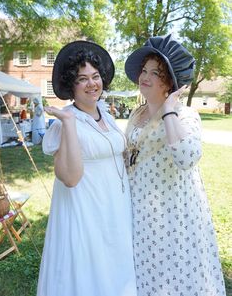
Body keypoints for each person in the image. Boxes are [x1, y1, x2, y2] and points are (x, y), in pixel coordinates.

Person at [124, 34, 226, 296]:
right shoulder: (136, 114)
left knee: (171, 270)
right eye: (144, 71)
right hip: (140, 206)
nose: (145, 77)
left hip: (172, 210)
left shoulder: (185, 115)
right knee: (144, 267)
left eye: (155, 73)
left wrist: (169, 109)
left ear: (169, 81)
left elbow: (186, 157)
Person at [37, 41, 137, 296]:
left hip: (114, 207)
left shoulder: (107, 114)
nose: (92, 84)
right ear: (72, 84)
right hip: (85, 209)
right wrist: (69, 123)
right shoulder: (64, 122)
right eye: (83, 79)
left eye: (95, 76)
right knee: (90, 272)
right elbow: (69, 178)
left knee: (115, 270)